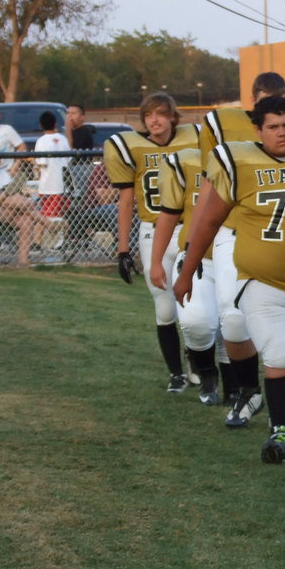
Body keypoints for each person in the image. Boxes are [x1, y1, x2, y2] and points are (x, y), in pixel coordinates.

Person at [175, 96, 285, 465]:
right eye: (273, 126)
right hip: (259, 275)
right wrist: (189, 267)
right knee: (280, 353)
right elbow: (210, 219)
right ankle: (281, 430)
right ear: (257, 129)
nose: (282, 133)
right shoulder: (238, 160)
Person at [197, 72, 285, 428]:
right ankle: (249, 390)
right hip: (235, 231)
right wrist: (196, 240)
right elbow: (211, 181)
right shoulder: (226, 134)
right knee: (232, 319)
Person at [104, 92, 201, 392]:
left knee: (198, 307)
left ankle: (199, 365)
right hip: (153, 231)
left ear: (174, 116)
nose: (154, 120)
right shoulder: (130, 147)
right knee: (165, 307)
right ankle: (176, 373)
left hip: (190, 230)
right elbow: (126, 200)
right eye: (148, 115)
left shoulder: (196, 139)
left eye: (160, 113)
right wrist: (122, 249)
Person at [151, 145, 224, 406]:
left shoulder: (247, 160)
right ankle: (197, 373)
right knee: (190, 318)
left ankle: (238, 389)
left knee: (232, 324)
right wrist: (155, 260)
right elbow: (169, 213)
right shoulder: (184, 161)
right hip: (189, 243)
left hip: (232, 248)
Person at [34, 111, 71, 250]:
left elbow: (41, 163)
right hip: (62, 184)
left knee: (46, 214)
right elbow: (68, 160)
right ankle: (51, 242)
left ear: (40, 125)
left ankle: (50, 242)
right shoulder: (62, 139)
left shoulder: (41, 141)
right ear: (55, 124)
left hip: (47, 185)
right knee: (56, 213)